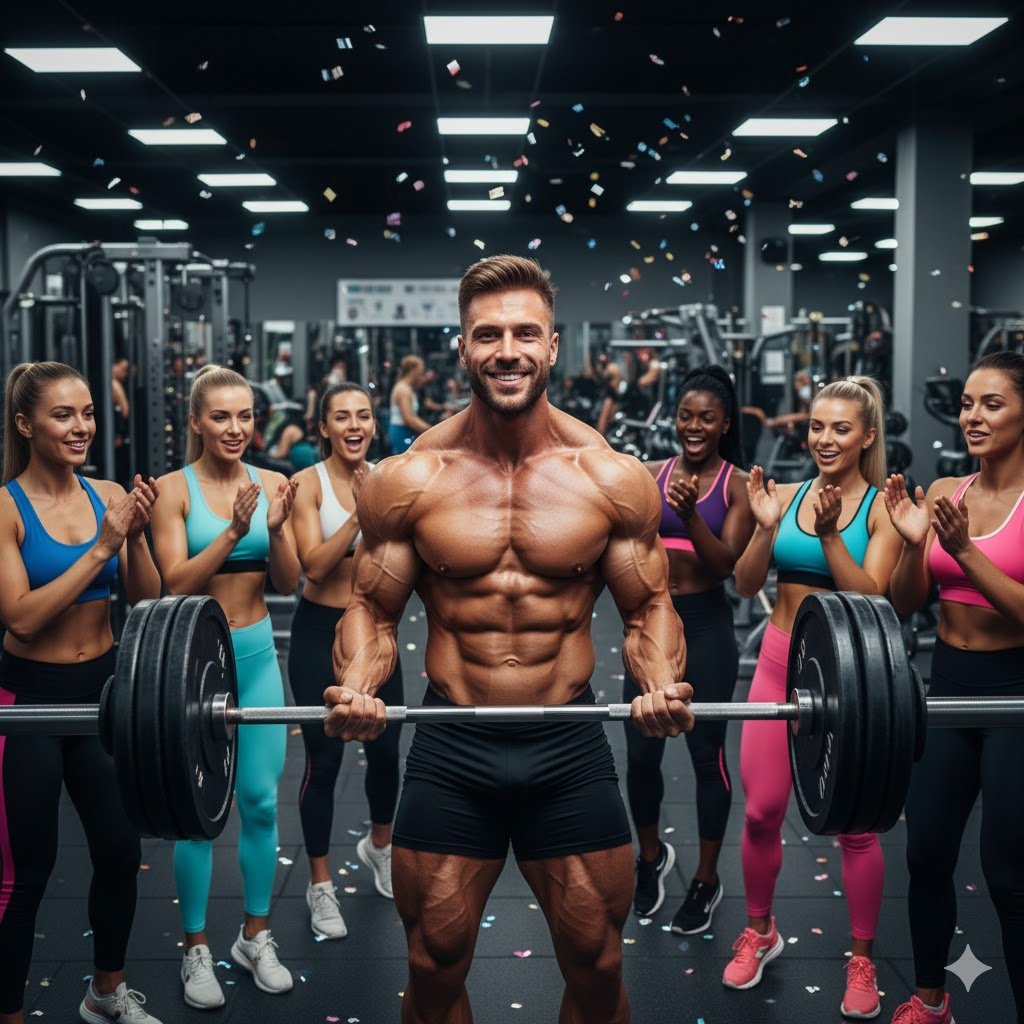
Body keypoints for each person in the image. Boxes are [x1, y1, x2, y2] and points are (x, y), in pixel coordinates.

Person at [324, 254, 694, 1024]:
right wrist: (360, 684)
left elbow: (647, 606)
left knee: (598, 963)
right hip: (452, 740)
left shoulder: (611, 477)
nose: (507, 349)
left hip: (568, 740)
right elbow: (373, 611)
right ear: (462, 347)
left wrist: (657, 681)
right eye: (486, 334)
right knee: (431, 962)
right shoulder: (409, 478)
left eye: (526, 332)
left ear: (554, 346)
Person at [731, 376, 900, 1019]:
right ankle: (761, 930)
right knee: (760, 812)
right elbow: (748, 586)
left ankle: (861, 956)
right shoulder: (789, 494)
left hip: (852, 678)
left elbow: (875, 595)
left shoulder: (878, 507)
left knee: (854, 826)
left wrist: (831, 536)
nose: (825, 439)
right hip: (779, 664)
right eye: (818, 427)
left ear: (867, 436)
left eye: (840, 428)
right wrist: (762, 528)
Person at [0, 361, 163, 1024]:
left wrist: (138, 534)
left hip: (103, 696)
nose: (82, 427)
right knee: (26, 874)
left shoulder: (106, 490)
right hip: (29, 705)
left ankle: (105, 993)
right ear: (25, 424)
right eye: (64, 414)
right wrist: (102, 547)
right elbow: (21, 618)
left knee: (121, 855)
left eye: (88, 413)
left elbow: (149, 599)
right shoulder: (5, 507)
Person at [150, 364, 301, 1010]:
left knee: (262, 803)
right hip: (193, 664)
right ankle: (194, 948)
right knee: (197, 816)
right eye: (221, 417)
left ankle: (256, 935)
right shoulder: (170, 492)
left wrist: (282, 522)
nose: (236, 428)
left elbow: (290, 582)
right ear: (195, 422)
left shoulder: (270, 482)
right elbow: (175, 584)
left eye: (245, 416)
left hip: (258, 655)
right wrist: (237, 532)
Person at [884, 350, 1024, 1024]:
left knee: (1009, 875)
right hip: (946, 692)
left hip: (1015, 699)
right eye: (968, 403)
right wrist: (916, 545)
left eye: (991, 403)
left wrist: (966, 552)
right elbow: (907, 603)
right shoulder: (945, 494)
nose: (972, 415)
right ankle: (931, 1000)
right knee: (926, 853)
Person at [625, 365, 754, 933]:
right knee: (640, 752)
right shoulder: (653, 474)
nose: (693, 427)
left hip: (706, 626)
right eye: (685, 417)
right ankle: (651, 858)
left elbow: (726, 565)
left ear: (724, 424)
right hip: (654, 626)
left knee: (707, 758)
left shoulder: (739, 484)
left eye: (706, 418)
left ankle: (705, 878)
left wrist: (685, 515)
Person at [288, 382, 404, 940]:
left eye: (363, 415)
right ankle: (319, 883)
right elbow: (314, 565)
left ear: (374, 425)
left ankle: (378, 846)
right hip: (317, 631)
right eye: (341, 417)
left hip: (377, 631)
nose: (353, 425)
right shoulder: (306, 484)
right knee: (324, 761)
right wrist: (361, 514)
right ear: (324, 428)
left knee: (386, 753)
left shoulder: (391, 477)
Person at [387, 355, 432, 454]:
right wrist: (432, 431)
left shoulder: (407, 387)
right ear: (413, 370)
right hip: (401, 432)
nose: (422, 374)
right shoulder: (403, 390)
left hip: (405, 431)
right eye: (420, 371)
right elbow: (409, 419)